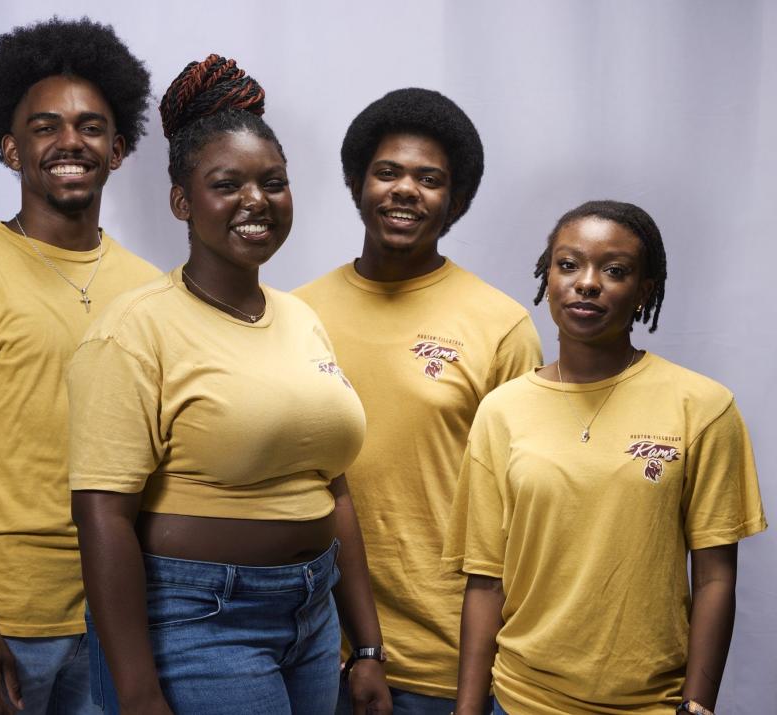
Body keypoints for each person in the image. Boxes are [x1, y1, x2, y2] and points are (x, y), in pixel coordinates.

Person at [67, 54, 392, 715]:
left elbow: (334, 488)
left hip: (311, 613)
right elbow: (101, 515)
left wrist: (367, 646)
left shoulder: (300, 317)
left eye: (274, 182)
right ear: (183, 201)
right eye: (228, 184)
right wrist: (137, 691)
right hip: (198, 617)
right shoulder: (133, 328)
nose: (256, 201)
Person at [0, 18, 160, 715]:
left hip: (126, 613)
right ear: (11, 147)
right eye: (45, 126)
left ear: (118, 148)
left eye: (89, 126)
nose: (69, 141)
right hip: (13, 619)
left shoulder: (152, 289)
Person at [446, 200, 768, 715]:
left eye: (614, 270)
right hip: (521, 699)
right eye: (569, 264)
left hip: (651, 704)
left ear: (645, 291)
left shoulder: (704, 407)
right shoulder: (502, 411)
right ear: (546, 277)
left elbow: (714, 579)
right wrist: (467, 709)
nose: (587, 282)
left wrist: (697, 705)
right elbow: (486, 581)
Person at [294, 88, 542, 713]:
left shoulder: (500, 326)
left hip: (447, 660)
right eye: (388, 172)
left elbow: (527, 507)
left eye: (429, 179)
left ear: (455, 201)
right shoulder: (294, 315)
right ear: (357, 184)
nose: (406, 190)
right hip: (312, 646)